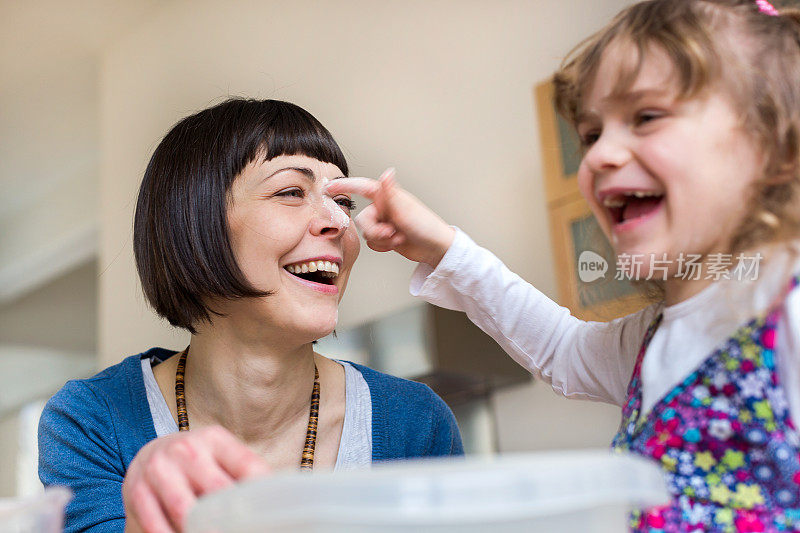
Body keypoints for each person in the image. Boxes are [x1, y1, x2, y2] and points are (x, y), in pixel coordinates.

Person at [328, 1, 800, 530]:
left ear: (775, 145)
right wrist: (444, 250)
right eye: (592, 134)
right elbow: (562, 349)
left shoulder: (786, 311)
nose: (598, 156)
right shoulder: (658, 338)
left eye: (645, 117)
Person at [38, 99, 463, 533]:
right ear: (194, 222)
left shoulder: (417, 422)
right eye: (291, 192)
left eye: (342, 200)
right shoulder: (93, 418)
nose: (338, 222)